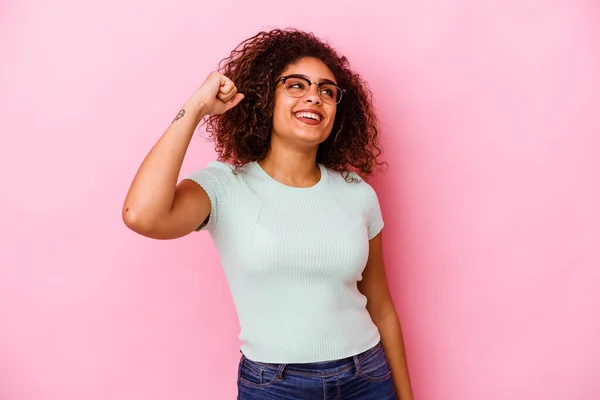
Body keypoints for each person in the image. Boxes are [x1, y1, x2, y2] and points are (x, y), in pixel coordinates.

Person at [122, 28, 414, 400]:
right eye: (296, 85)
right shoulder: (225, 186)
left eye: (327, 91)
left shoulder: (357, 194)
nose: (314, 96)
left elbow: (382, 307)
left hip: (367, 377)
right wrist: (195, 107)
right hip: (277, 387)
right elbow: (141, 215)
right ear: (265, 98)